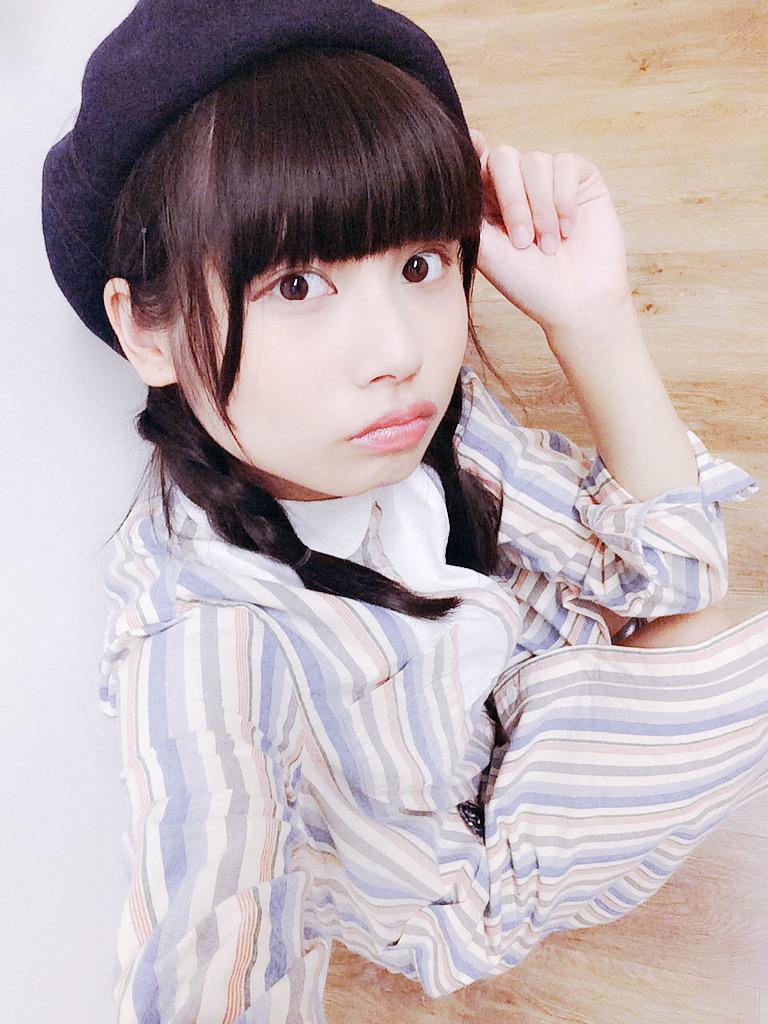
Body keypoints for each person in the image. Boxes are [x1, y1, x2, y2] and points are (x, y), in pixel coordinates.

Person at [40, 2, 768, 1021]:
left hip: (498, 701)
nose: (397, 351)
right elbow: (209, 943)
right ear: (147, 330)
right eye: (298, 284)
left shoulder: (414, 427)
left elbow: (678, 570)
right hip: (464, 879)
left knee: (698, 624)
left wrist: (592, 319)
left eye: (420, 264)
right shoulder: (211, 642)